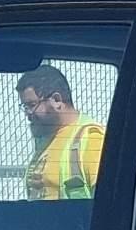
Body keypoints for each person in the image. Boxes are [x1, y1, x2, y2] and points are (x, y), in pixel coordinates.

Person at [17, 65, 104, 201]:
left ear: (57, 100)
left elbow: (106, 204)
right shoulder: (47, 140)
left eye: (32, 105)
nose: (28, 114)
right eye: (24, 107)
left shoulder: (91, 140)